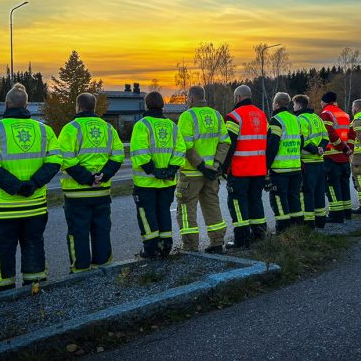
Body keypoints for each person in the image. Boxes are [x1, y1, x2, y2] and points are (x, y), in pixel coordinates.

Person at [0, 83, 62, 292]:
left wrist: (16, 187)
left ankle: (3, 292)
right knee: (33, 245)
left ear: (6, 104)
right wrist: (32, 185)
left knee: (3, 248)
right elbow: (55, 161)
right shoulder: (44, 130)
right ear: (27, 105)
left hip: (3, 207)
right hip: (35, 205)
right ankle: (34, 287)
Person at [58, 92, 124, 272]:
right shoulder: (108, 128)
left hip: (76, 193)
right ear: (94, 107)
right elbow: (118, 155)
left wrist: (87, 179)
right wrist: (103, 175)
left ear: (78, 107)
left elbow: (65, 159)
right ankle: (104, 268)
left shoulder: (71, 128)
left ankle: (80, 271)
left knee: (78, 233)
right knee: (101, 231)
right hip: (102, 191)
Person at [130, 91, 186, 258]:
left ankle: (151, 249)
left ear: (146, 105)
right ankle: (165, 246)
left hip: (146, 182)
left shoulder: (142, 125)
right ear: (163, 105)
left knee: (147, 215)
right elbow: (180, 148)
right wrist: (170, 169)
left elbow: (140, 151)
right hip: (167, 182)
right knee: (163, 212)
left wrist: (154, 171)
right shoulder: (172, 126)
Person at [175, 86, 231, 254]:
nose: (186, 101)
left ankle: (190, 247)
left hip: (192, 173)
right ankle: (217, 242)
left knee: (186, 209)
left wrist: (200, 166)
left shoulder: (187, 116)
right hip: (212, 172)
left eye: (187, 99)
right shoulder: (216, 115)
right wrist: (215, 165)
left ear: (191, 99)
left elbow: (186, 145)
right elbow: (225, 142)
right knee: (212, 205)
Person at [222, 85, 268, 248]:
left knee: (237, 202)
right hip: (259, 169)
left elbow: (229, 144)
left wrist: (223, 167)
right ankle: (260, 234)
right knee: (255, 200)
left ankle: (241, 240)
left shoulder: (234, 116)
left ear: (237, 98)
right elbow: (267, 142)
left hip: (240, 169)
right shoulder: (262, 115)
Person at [266, 92, 304, 232]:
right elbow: (302, 142)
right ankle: (297, 227)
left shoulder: (276, 120)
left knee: (279, 200)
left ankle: (283, 230)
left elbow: (273, 146)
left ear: (276, 104)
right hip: (295, 167)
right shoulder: (296, 119)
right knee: (294, 198)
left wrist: (266, 166)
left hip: (279, 169)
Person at [293, 94, 330, 228]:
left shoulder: (300, 119)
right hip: (319, 162)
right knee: (319, 192)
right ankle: (321, 221)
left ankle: (308, 223)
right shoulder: (317, 118)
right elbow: (326, 137)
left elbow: (302, 140)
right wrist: (321, 148)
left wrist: (314, 150)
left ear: (298, 105)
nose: (293, 107)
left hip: (307, 162)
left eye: (294, 104)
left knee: (307, 192)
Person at [320, 91, 353, 223]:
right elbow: (351, 135)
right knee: (344, 185)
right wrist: (349, 149)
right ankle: (347, 213)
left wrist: (343, 147)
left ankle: (336, 215)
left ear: (325, 101)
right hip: (344, 157)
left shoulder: (325, 114)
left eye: (321, 101)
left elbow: (330, 134)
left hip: (331, 157)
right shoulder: (344, 114)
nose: (320, 104)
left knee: (332, 186)